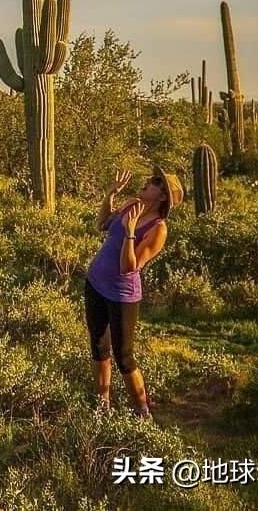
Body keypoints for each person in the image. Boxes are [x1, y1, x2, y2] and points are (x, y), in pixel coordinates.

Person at [84, 165, 184, 419]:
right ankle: (102, 405)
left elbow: (129, 267)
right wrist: (110, 195)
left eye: (154, 182)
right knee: (98, 345)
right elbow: (102, 224)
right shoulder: (131, 204)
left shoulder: (158, 229)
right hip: (95, 282)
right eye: (152, 179)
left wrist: (130, 233)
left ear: (162, 196)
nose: (147, 182)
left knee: (124, 356)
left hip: (122, 295)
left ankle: (142, 411)